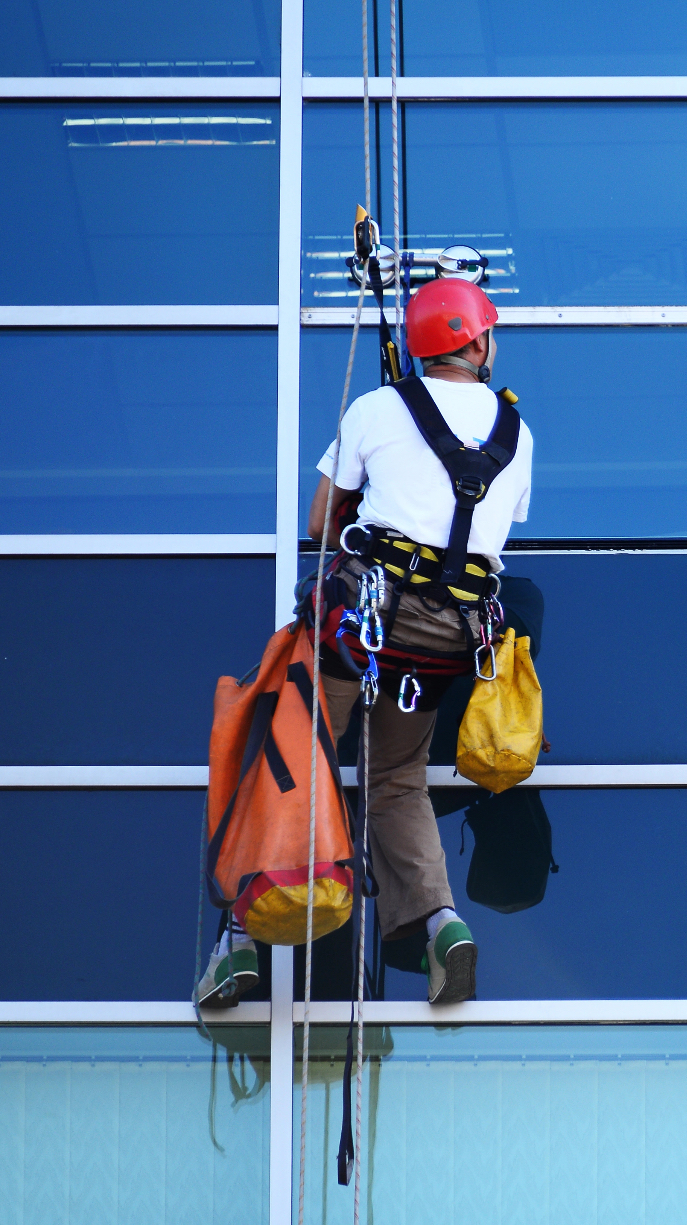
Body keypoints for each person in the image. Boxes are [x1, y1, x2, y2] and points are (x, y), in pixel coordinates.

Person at [196, 276, 533, 1006]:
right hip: (448, 638)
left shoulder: (377, 409)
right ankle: (442, 925)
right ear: (476, 342)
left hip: (364, 621)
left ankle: (239, 940)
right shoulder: (517, 433)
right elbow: (482, 527)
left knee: (295, 751)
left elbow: (322, 523)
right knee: (397, 779)